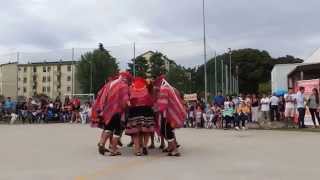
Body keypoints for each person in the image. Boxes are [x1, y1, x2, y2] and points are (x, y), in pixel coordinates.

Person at [92, 72, 132, 156]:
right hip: (118, 111)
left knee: (108, 128)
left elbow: (100, 94)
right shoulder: (124, 86)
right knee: (117, 130)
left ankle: (102, 143)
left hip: (108, 110)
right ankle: (113, 150)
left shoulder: (110, 84)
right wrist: (129, 105)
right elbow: (125, 99)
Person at [154, 75, 187, 156]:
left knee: (167, 131)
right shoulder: (169, 88)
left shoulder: (164, 89)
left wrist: (155, 108)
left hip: (167, 115)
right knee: (169, 131)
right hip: (171, 115)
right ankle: (172, 148)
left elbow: (163, 104)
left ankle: (175, 150)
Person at [126, 77, 155, 156]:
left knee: (136, 132)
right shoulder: (146, 88)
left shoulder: (131, 87)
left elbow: (127, 99)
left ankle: (137, 150)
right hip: (147, 110)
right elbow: (152, 98)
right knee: (146, 129)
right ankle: (145, 145)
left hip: (134, 110)